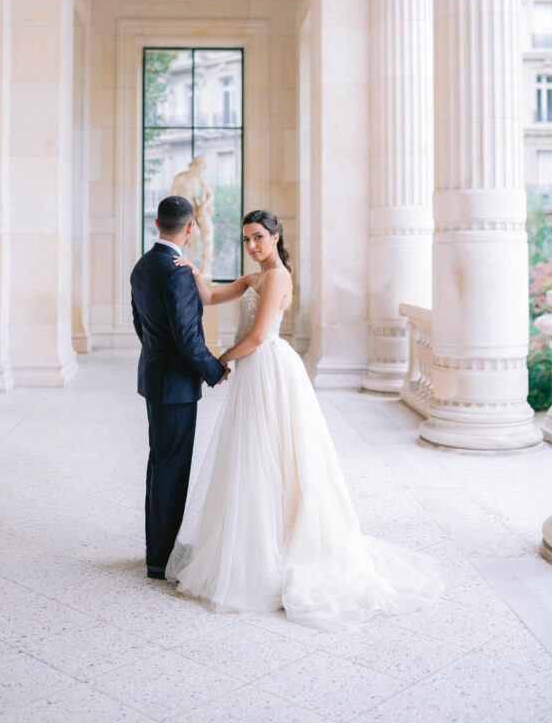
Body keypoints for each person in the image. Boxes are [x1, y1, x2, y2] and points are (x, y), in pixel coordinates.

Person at [166, 209, 443, 629]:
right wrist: (192, 269)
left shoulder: (276, 277)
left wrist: (220, 360)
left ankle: (280, 542)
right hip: (253, 371)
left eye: (259, 237)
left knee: (274, 451)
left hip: (268, 367)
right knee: (253, 453)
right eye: (246, 240)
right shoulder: (254, 277)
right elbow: (210, 297)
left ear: (275, 236)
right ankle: (256, 539)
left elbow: (259, 336)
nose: (253, 246)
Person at [130, 195, 229, 580]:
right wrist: (213, 370)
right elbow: (188, 337)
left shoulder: (143, 265)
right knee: (171, 470)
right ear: (190, 228)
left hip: (155, 376)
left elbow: (139, 323)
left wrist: (158, 356)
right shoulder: (178, 271)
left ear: (157, 224)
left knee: (161, 465)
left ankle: (158, 550)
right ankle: (162, 558)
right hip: (176, 385)